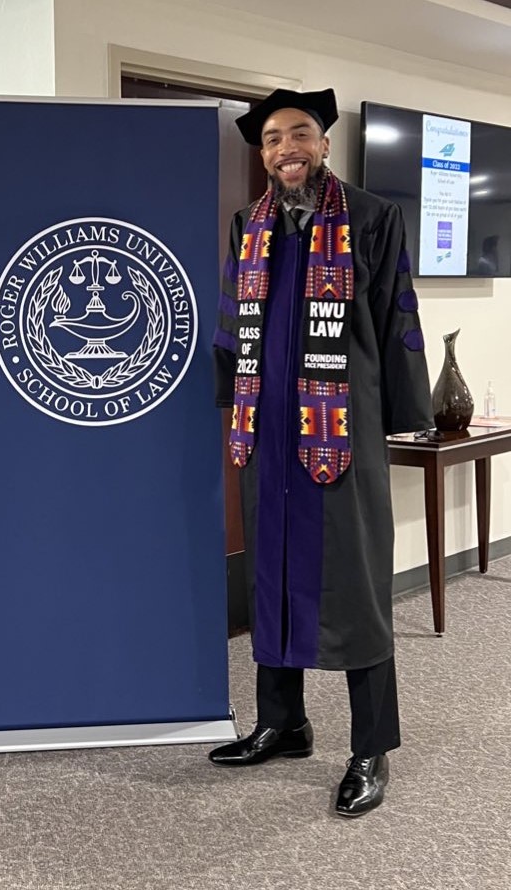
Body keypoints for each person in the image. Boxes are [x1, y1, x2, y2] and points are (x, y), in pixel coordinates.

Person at [208, 89, 432, 817]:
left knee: (355, 586)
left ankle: (372, 745)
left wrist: (404, 419)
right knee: (270, 574)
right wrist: (230, 401)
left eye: (299, 133)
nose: (285, 148)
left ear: (324, 143)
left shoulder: (371, 217)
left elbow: (397, 316)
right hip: (268, 434)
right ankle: (283, 721)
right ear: (263, 154)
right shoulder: (251, 222)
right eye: (272, 139)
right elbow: (232, 322)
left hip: (342, 432)